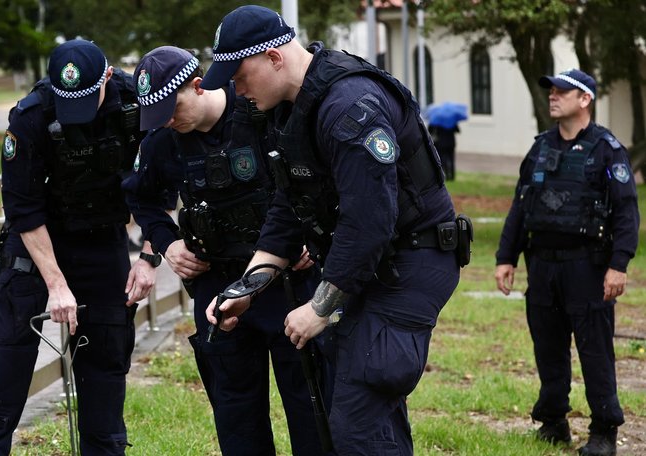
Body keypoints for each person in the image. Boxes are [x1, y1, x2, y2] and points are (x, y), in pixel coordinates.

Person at [201, 5, 464, 454]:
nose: (235, 88)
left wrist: (318, 308)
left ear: (275, 58)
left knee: (357, 421)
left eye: (240, 74)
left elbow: (369, 221)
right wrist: (249, 286)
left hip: (410, 262)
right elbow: (288, 207)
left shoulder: (347, 108)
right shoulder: (293, 108)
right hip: (371, 265)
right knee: (360, 409)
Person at [122, 45, 331, 456]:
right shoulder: (163, 140)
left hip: (289, 283)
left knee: (313, 411)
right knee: (236, 419)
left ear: (198, 87)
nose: (166, 118)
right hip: (217, 285)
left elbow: (316, 180)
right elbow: (141, 199)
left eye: (172, 106)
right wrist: (168, 244)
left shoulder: (262, 109)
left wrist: (308, 236)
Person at [0, 39, 157, 455]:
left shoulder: (135, 105)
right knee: (10, 358)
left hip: (101, 237)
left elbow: (157, 184)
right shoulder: (30, 117)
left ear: (107, 76)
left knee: (106, 360)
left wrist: (148, 256)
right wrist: (55, 284)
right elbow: (22, 208)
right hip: (36, 239)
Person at [494, 69, 639, 456]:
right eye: (552, 90)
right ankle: (553, 422)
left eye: (562, 91)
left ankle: (604, 431)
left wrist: (619, 264)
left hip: (587, 269)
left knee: (594, 351)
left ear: (585, 99)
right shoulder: (540, 148)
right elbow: (520, 206)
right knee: (548, 348)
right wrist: (505, 257)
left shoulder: (607, 150)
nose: (553, 96)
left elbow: (626, 211)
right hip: (542, 267)